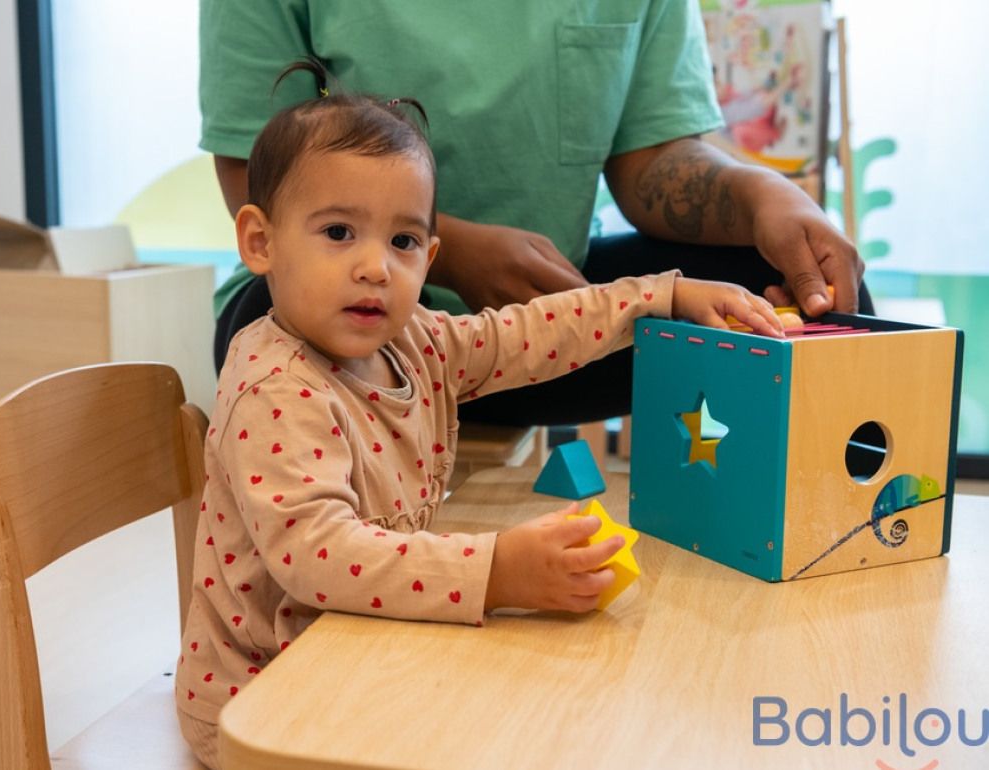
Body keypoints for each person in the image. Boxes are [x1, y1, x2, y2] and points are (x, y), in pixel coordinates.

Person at [174, 62, 784, 767]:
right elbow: (321, 558)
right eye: (339, 232)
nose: (376, 266)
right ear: (260, 242)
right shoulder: (276, 385)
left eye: (402, 242)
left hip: (362, 649)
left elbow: (529, 334)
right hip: (268, 701)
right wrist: (498, 573)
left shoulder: (415, 341)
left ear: (430, 258)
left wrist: (659, 297)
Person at [199, 0, 871, 426]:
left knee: (805, 282)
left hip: (545, 325)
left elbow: (653, 160)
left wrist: (762, 196)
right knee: (281, 310)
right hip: (347, 331)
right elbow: (253, 163)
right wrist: (444, 250)